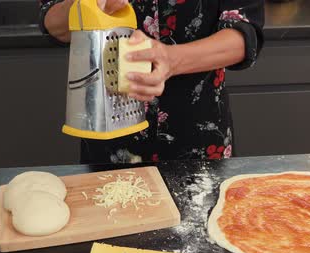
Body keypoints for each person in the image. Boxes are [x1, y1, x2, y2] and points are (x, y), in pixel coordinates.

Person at [40, 0, 264, 163]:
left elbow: (243, 35)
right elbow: (52, 21)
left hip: (199, 134)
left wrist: (171, 60)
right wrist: (85, 6)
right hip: (109, 131)